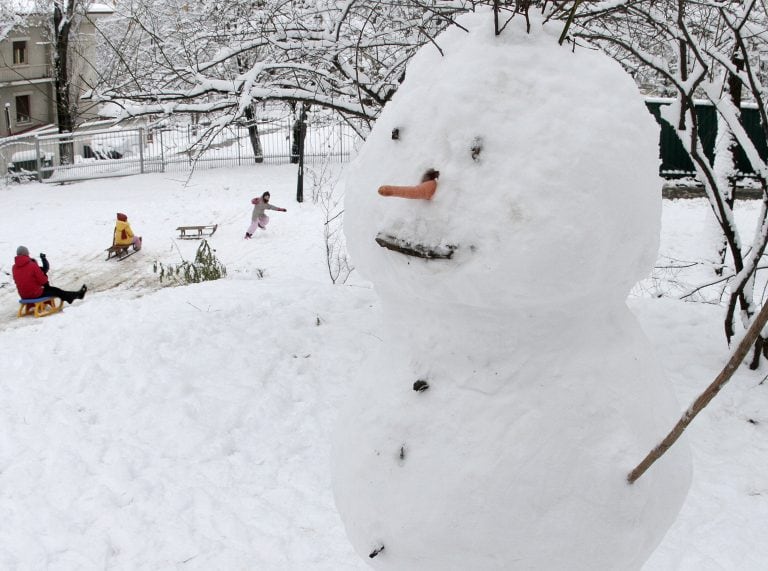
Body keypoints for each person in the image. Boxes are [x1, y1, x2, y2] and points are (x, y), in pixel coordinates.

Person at [12, 246, 86, 304]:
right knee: (56, 291)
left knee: (52, 290)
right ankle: (76, 296)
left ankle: (72, 296)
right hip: (35, 294)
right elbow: (43, 280)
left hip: (23, 295)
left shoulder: (14, 267)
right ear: (26, 254)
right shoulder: (32, 265)